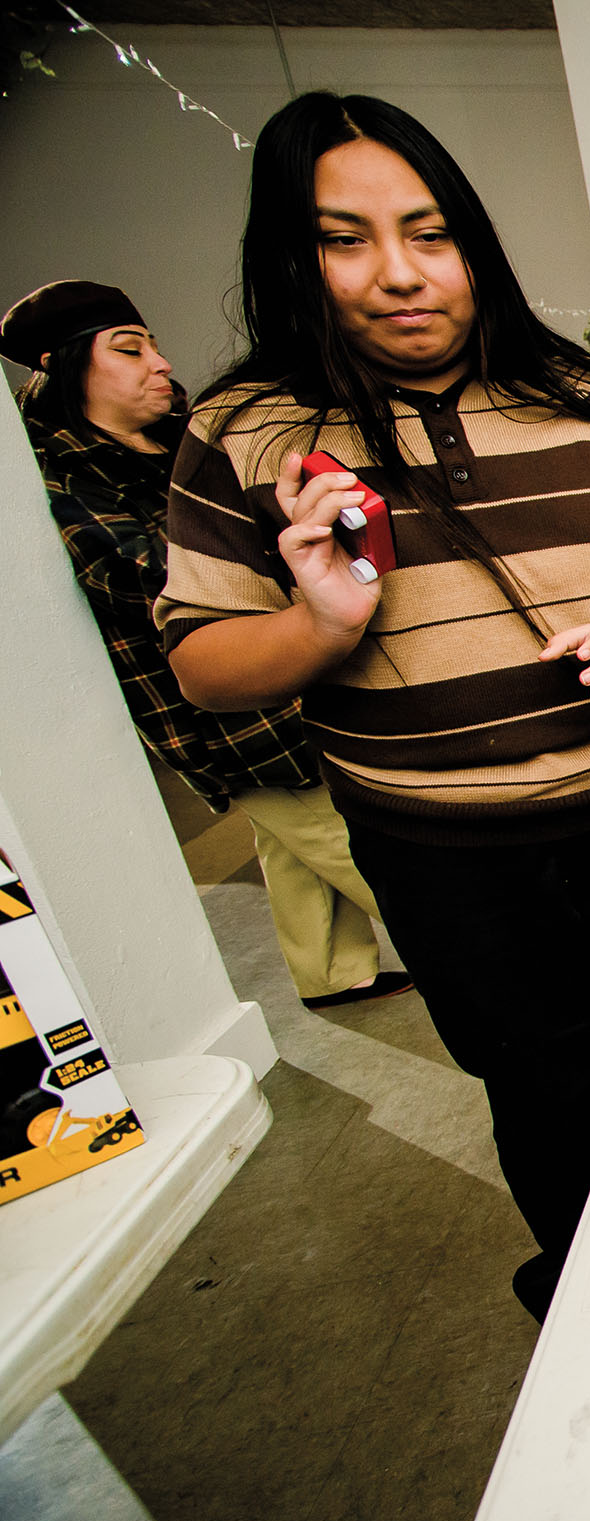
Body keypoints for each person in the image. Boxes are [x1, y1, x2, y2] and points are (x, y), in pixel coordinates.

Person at [157, 93, 590, 1318]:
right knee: (543, 1092)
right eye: (344, 239)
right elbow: (202, 666)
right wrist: (322, 620)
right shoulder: (243, 432)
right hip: (446, 855)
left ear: (473, 243)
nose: (397, 275)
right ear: (291, 255)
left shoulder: (589, 397)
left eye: (430, 234)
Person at [3, 279, 410, 1012]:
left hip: (290, 676)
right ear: (61, 368)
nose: (159, 363)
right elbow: (174, 578)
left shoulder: (180, 444)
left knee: (289, 837)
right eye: (129, 349)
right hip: (229, 718)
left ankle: (330, 970)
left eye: (154, 343)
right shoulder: (61, 489)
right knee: (344, 836)